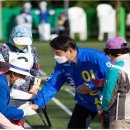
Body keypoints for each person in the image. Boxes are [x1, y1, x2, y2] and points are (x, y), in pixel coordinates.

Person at [32, 35, 110, 128]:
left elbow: (113, 78)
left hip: (106, 102)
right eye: (54, 52)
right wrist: (38, 103)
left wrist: (91, 86)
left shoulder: (97, 57)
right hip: (85, 102)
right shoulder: (62, 64)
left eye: (58, 53)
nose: (55, 56)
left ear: (70, 50)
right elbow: (52, 84)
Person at [98, 37, 130, 128]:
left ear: (110, 52)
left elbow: (109, 95)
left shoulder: (115, 69)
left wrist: (102, 108)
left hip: (122, 116)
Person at [0, 59, 36, 128]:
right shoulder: (2, 85)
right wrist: (24, 112)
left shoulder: (3, 81)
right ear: (13, 74)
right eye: (23, 76)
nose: (24, 79)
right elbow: (3, 112)